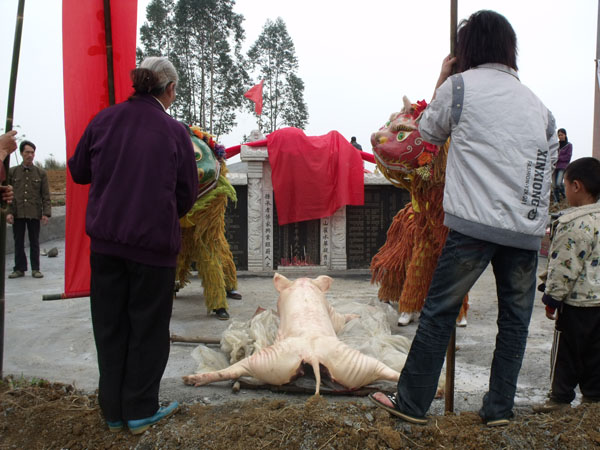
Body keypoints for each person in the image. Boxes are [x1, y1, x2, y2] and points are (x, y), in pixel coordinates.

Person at [369, 10, 558, 427]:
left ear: (467, 49)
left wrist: (443, 78)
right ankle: (499, 410)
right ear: (510, 49)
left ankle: (412, 403)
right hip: (524, 232)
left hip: (472, 226)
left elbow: (425, 135)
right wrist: (532, 222)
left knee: (439, 313)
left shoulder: (459, 87)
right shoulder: (541, 109)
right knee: (515, 324)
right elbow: (545, 175)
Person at [68, 56, 198, 434]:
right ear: (169, 89)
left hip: (106, 247)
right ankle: (140, 409)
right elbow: (187, 194)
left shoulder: (103, 120)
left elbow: (78, 171)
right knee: (148, 330)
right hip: (153, 250)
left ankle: (112, 411)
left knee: (110, 327)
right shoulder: (174, 132)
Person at [532, 157, 600, 413]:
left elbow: (564, 267)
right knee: (596, 353)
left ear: (576, 186)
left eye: (566, 184)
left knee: (567, 353)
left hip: (576, 304)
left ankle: (560, 398)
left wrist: (552, 298)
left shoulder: (573, 224)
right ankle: (593, 398)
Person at [7, 140, 51, 279]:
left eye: (32, 152)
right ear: (21, 153)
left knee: (34, 241)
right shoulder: (13, 172)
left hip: (34, 212)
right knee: (18, 241)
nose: (30, 155)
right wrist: (8, 212)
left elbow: (45, 195)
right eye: (27, 152)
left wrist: (46, 213)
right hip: (18, 212)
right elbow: (7, 195)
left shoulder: (40, 173)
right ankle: (19, 268)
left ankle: (35, 269)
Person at [552, 128, 573, 204]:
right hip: (554, 166)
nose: (560, 136)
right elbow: (552, 153)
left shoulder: (569, 145)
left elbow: (568, 157)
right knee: (554, 185)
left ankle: (564, 196)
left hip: (562, 167)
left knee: (558, 183)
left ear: (565, 135)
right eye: (559, 135)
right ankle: (556, 200)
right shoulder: (556, 145)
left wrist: (558, 157)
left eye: (562, 135)